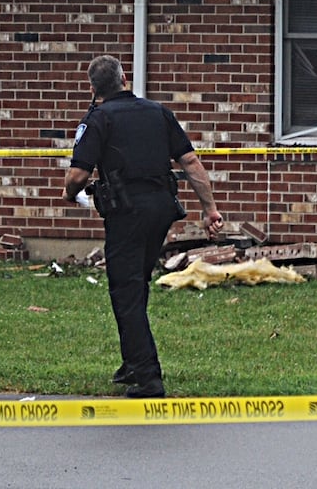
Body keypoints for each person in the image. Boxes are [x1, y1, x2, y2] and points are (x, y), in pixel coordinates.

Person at [63, 54, 224, 398]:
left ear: (93, 88)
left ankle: (149, 378)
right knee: (136, 285)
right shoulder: (158, 112)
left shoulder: (97, 119)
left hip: (127, 213)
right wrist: (209, 209)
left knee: (125, 291)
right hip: (161, 210)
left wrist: (70, 193)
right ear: (125, 78)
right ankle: (132, 363)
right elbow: (191, 162)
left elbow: (78, 174)